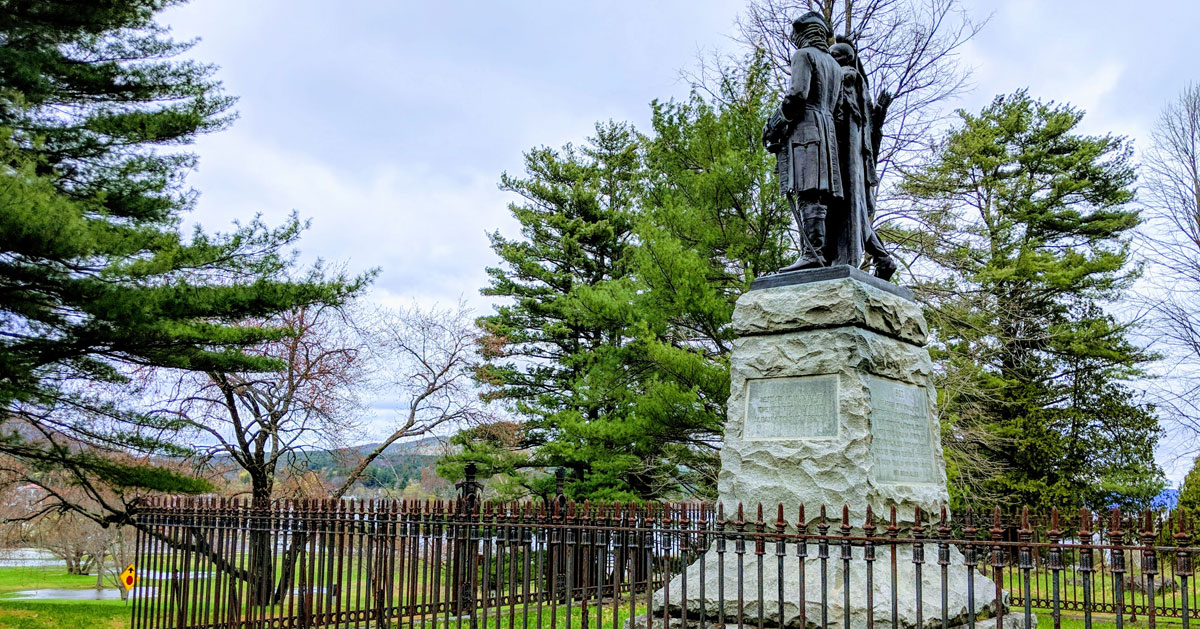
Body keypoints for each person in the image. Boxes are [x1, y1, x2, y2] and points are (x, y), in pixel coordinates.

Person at [762, 11, 843, 272]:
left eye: (796, 36)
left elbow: (797, 95)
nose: (795, 41)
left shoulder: (803, 56)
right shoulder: (835, 66)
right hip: (827, 132)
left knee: (809, 192)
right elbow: (838, 110)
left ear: (805, 34)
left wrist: (775, 124)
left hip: (807, 130)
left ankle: (812, 253)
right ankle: (817, 252)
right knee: (818, 194)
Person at [829, 39, 898, 280]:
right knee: (854, 209)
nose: (830, 59)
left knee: (847, 208)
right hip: (854, 160)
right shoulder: (859, 84)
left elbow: (840, 114)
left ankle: (851, 258)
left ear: (843, 59)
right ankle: (883, 259)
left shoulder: (847, 77)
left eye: (833, 55)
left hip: (846, 156)